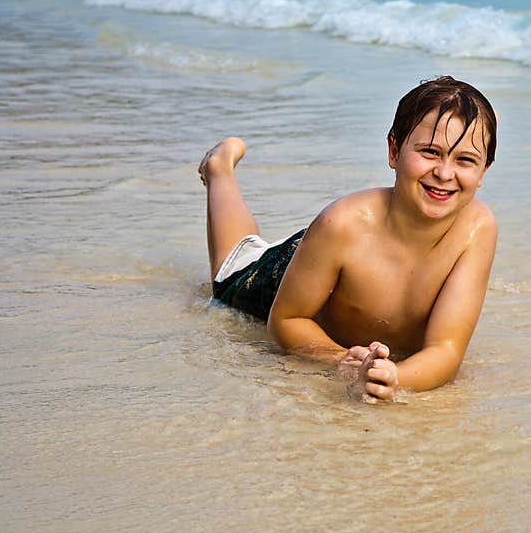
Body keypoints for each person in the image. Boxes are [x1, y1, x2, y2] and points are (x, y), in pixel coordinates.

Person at [199, 76, 498, 403]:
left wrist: (395, 377)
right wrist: (339, 358)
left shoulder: (476, 229)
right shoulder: (342, 223)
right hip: (289, 271)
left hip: (328, 259)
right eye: (430, 152)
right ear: (395, 151)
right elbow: (286, 321)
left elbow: (446, 349)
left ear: (483, 172)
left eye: (465, 160)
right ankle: (220, 170)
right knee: (235, 263)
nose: (444, 173)